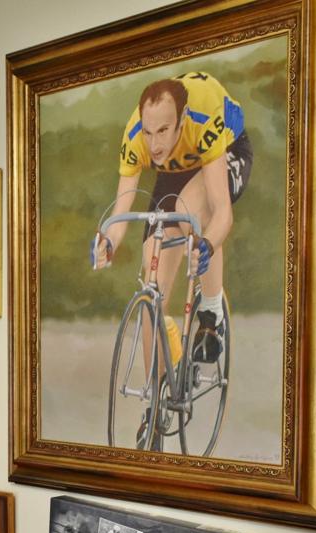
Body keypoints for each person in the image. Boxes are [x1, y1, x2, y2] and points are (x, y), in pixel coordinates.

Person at [91, 71, 253, 364]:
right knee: (152, 292)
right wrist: (108, 243)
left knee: (188, 208)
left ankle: (212, 313)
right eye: (149, 133)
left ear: (182, 120)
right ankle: (160, 399)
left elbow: (222, 213)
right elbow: (121, 212)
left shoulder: (203, 121)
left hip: (224, 151)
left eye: (163, 130)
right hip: (175, 167)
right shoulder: (136, 137)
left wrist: (207, 245)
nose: (153, 144)